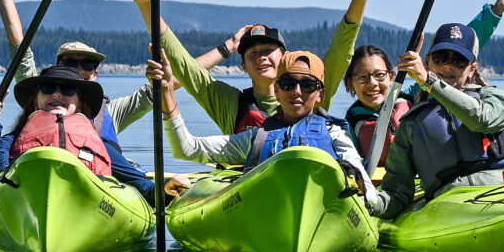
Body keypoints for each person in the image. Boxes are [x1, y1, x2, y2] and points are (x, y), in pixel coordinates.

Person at [0, 0, 184, 187]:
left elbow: (178, 78)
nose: (76, 70)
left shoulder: (111, 112)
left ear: (94, 76)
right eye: (68, 63)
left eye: (86, 65)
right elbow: (17, 40)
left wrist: (224, 49)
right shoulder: (40, 94)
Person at [117, 0, 376, 133]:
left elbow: (343, 48)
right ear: (243, 65)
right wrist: (146, 4)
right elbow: (184, 65)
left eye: (268, 51)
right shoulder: (231, 104)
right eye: (253, 53)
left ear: (285, 58)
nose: (261, 57)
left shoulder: (312, 91)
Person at [155, 51, 381, 209]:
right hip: (264, 212)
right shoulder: (257, 137)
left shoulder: (335, 134)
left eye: (308, 85)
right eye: (288, 84)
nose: (297, 91)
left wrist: (374, 206)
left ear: (320, 94)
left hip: (325, 212)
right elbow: (186, 148)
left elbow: (365, 186)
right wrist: (167, 93)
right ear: (277, 90)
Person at [339, 0, 504, 162]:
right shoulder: (347, 127)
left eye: (379, 75)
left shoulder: (414, 96)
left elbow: (462, 46)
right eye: (362, 78)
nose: (372, 83)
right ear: (350, 83)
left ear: (392, 76)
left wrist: (495, 11)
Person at [374, 23, 504, 219]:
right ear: (427, 62)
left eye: (459, 60)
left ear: (472, 69)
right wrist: (369, 202)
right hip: (449, 206)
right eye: (440, 57)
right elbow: (397, 193)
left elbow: (481, 119)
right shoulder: (412, 122)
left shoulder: (495, 99)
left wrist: (429, 81)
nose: (448, 65)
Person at [0, 63, 157, 200]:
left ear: (78, 103)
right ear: (35, 101)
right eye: (48, 88)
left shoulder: (97, 143)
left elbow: (142, 184)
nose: (57, 94)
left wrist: (165, 188)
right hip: (27, 202)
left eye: (67, 89)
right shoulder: (16, 139)